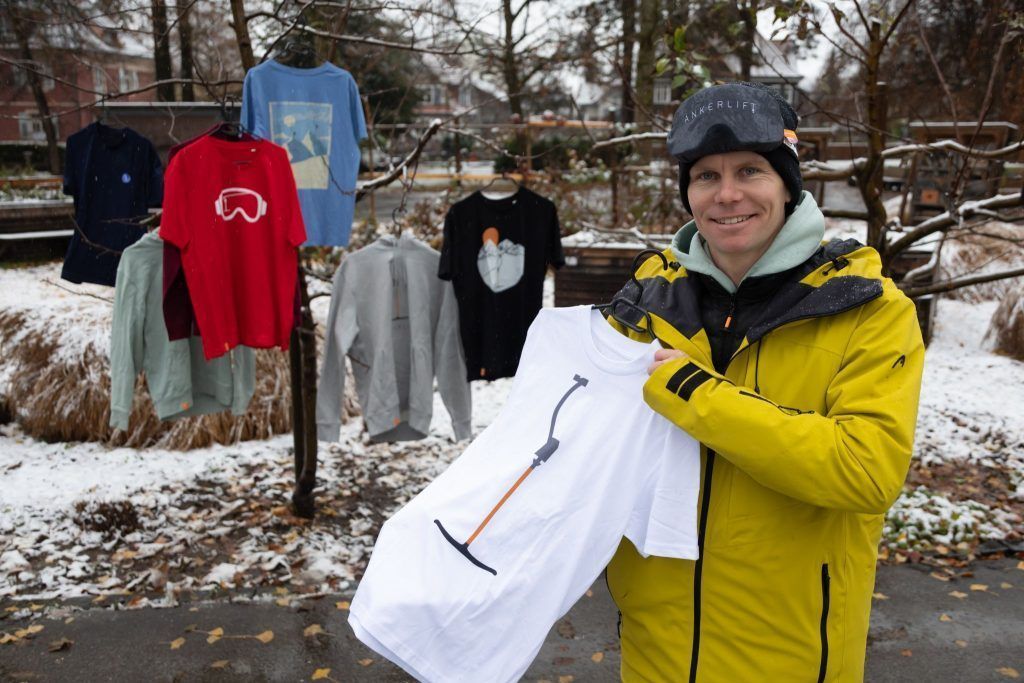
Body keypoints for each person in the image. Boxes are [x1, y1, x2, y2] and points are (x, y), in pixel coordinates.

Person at [604, 81, 925, 682]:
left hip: (792, 658)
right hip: (654, 657)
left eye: (750, 171)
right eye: (706, 176)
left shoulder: (868, 310)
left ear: (787, 184)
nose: (727, 195)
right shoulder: (644, 303)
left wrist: (694, 394)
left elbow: (866, 470)